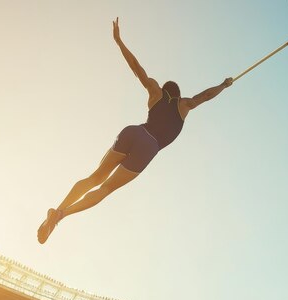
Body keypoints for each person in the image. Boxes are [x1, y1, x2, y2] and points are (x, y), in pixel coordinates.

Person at [37, 17, 233, 244]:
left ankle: (58, 210)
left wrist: (119, 41)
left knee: (95, 177)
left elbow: (136, 67)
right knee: (107, 188)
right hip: (149, 147)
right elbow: (205, 96)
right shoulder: (184, 105)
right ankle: (61, 215)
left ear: (165, 90)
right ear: (178, 94)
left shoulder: (155, 92)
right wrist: (224, 85)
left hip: (134, 132)